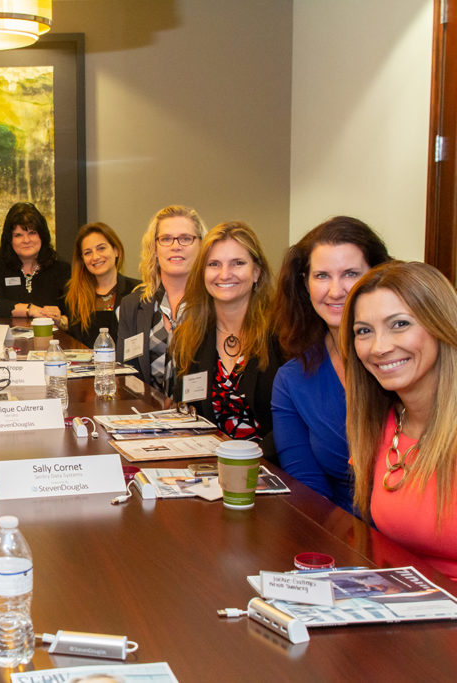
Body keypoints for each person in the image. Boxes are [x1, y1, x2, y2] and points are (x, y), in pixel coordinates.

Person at [343, 260, 457, 580]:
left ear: (441, 325)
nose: (379, 347)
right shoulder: (381, 422)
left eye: (400, 324)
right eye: (364, 331)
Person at [270, 217, 389, 510]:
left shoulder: (401, 363)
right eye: (322, 276)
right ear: (305, 283)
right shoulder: (292, 380)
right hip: (342, 534)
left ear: (378, 275)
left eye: (350, 273)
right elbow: (310, 492)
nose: (336, 291)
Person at [170, 221, 283, 456]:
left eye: (238, 263)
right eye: (214, 264)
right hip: (210, 467)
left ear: (257, 271)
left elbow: (294, 424)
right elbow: (186, 411)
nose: (224, 274)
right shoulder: (190, 336)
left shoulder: (281, 335)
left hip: (273, 467)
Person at [116, 205, 207, 392]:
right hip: (145, 417)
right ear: (155, 249)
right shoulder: (132, 306)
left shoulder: (215, 304)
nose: (175, 246)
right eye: (166, 239)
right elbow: (124, 374)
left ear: (201, 246)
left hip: (201, 418)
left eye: (186, 238)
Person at [0, 202, 71, 322]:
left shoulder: (60, 267)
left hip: (51, 337)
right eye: (18, 235)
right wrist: (30, 310)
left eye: (32, 233)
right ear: (9, 239)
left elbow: (73, 313)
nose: (26, 240)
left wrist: (61, 319)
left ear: (42, 236)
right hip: (7, 337)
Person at [65, 222, 141, 347]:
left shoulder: (137, 290)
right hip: (86, 366)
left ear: (116, 251)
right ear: (82, 260)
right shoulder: (74, 296)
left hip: (127, 365)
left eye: (101, 248)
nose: (95, 257)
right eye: (88, 252)